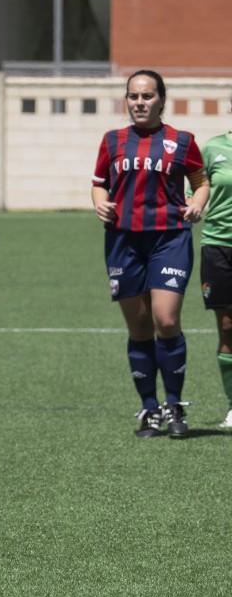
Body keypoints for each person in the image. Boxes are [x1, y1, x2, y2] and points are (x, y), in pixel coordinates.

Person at [91, 69, 209, 438]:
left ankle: (175, 405)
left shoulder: (181, 140)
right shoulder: (112, 141)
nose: (139, 103)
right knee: (139, 326)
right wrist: (100, 204)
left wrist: (197, 204)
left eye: (147, 96)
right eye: (133, 97)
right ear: (126, 100)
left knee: (166, 320)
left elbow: (200, 181)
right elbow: (98, 184)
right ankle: (148, 408)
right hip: (124, 241)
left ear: (161, 99)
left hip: (169, 239)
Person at [199, 95, 232, 429]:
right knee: (227, 326)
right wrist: (194, 204)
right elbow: (201, 184)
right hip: (218, 246)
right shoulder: (212, 148)